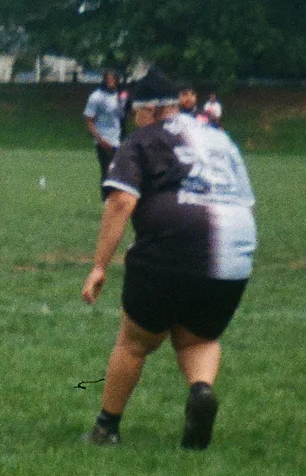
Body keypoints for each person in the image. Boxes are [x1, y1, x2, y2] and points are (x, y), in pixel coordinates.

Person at [80, 69, 255, 450]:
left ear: (153, 110)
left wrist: (99, 266)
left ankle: (106, 428)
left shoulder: (143, 140)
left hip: (175, 244)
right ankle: (201, 390)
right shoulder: (220, 138)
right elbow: (247, 202)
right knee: (198, 338)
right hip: (235, 249)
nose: (134, 120)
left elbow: (121, 201)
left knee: (134, 341)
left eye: (136, 112)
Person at [83, 71, 124, 191]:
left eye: (113, 79)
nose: (110, 82)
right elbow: (88, 120)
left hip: (118, 138)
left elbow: (123, 115)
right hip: (104, 139)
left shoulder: (120, 95)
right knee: (108, 171)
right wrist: (100, 139)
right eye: (108, 79)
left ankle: (115, 197)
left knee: (120, 171)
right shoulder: (97, 97)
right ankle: (106, 198)